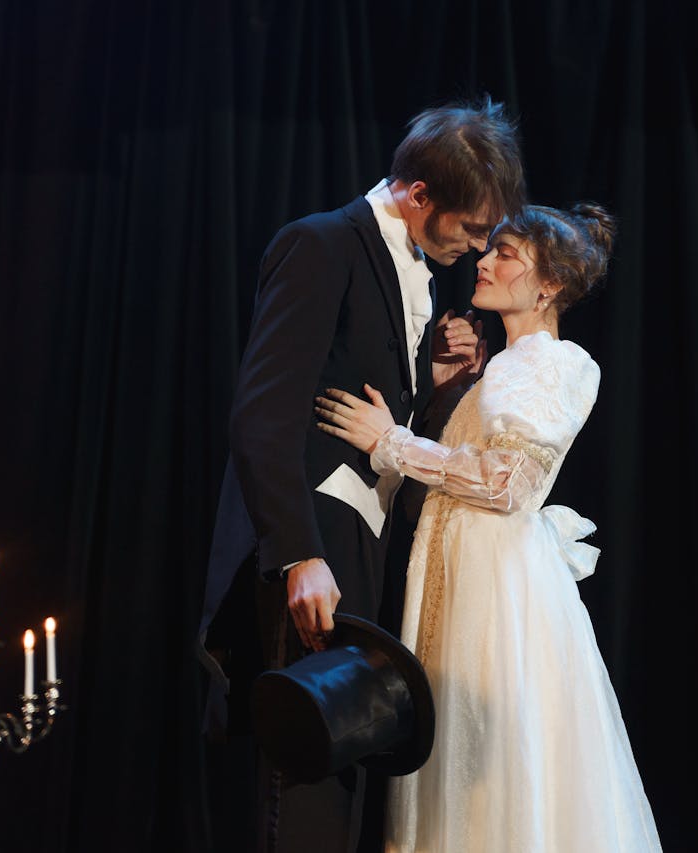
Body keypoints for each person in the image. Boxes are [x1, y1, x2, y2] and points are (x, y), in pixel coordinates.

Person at [198, 99, 526, 853]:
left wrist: (437, 385)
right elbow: (263, 414)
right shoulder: (321, 245)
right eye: (473, 227)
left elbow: (379, 419)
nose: (479, 246)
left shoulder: (415, 270)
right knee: (305, 784)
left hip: (364, 549)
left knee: (344, 779)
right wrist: (297, 554)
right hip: (313, 547)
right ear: (420, 195)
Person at [315, 203, 664, 852]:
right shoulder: (503, 367)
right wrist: (447, 391)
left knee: (490, 768)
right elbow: (459, 471)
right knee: (457, 760)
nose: (485, 261)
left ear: (548, 284)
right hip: (461, 573)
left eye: (506, 254)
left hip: (498, 590)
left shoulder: (556, 362)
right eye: (490, 248)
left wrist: (390, 441)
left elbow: (509, 484)